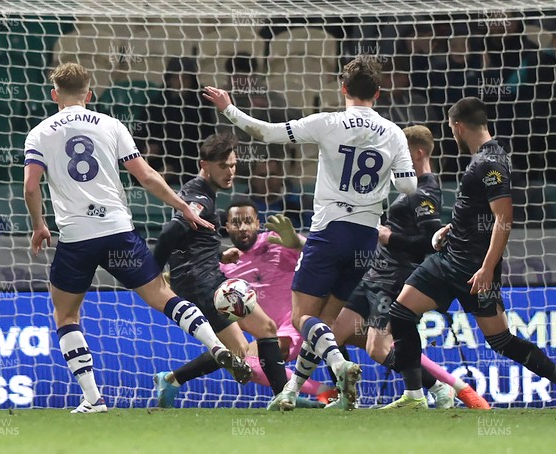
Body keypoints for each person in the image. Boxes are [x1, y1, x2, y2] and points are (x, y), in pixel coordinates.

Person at [23, 62, 247, 414]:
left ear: (55, 95)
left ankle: (94, 399)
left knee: (66, 316)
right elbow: (146, 175)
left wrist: (39, 225)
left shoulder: (39, 133)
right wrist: (183, 207)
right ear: (90, 94)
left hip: (76, 236)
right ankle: (214, 344)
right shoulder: (111, 125)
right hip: (117, 230)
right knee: (162, 295)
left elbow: (31, 186)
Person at [203, 55, 418, 411]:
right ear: (378, 93)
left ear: (343, 88)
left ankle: (339, 365)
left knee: (304, 318)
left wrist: (229, 109)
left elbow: (267, 132)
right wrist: (389, 176)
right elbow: (409, 186)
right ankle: (291, 391)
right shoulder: (394, 133)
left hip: (331, 231)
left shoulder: (327, 122)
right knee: (326, 323)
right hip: (366, 239)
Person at [383, 97, 556, 409]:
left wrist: (488, 269)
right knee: (400, 313)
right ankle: (414, 396)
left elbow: (504, 219)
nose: (453, 135)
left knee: (501, 342)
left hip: (474, 270)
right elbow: (480, 212)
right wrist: (451, 228)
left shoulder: (490, 162)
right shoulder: (485, 158)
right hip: (448, 261)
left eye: (452, 130)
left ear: (459, 127)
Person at [331, 125, 489, 409]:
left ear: (416, 153)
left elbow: (431, 242)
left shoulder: (425, 190)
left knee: (377, 349)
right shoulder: (409, 188)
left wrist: (389, 237)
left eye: (399, 151)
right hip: (374, 275)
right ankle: (345, 398)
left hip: (392, 279)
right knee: (335, 332)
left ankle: (437, 388)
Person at [155, 200, 337, 407]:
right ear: (227, 227)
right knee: (243, 361)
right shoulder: (225, 267)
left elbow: (319, 255)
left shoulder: (276, 241)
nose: (242, 227)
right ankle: (172, 378)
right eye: (236, 222)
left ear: (257, 223)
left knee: (314, 337)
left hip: (296, 319)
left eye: (248, 221)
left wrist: (296, 242)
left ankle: (325, 392)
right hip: (266, 331)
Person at [152, 133, 289, 403]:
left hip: (204, 279)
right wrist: (153, 272)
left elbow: (191, 236)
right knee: (261, 333)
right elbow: (170, 232)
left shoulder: (199, 193)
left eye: (233, 165)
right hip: (202, 285)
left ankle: (171, 379)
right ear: (205, 164)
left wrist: (219, 253)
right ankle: (285, 397)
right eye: (223, 166)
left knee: (245, 346)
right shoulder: (200, 196)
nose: (230, 172)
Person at [144, 57, 216, 185]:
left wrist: (175, 168)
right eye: (176, 78)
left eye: (185, 78)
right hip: (157, 164)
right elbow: (143, 133)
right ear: (169, 79)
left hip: (191, 167)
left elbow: (204, 143)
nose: (180, 82)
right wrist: (147, 148)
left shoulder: (201, 106)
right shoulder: (157, 103)